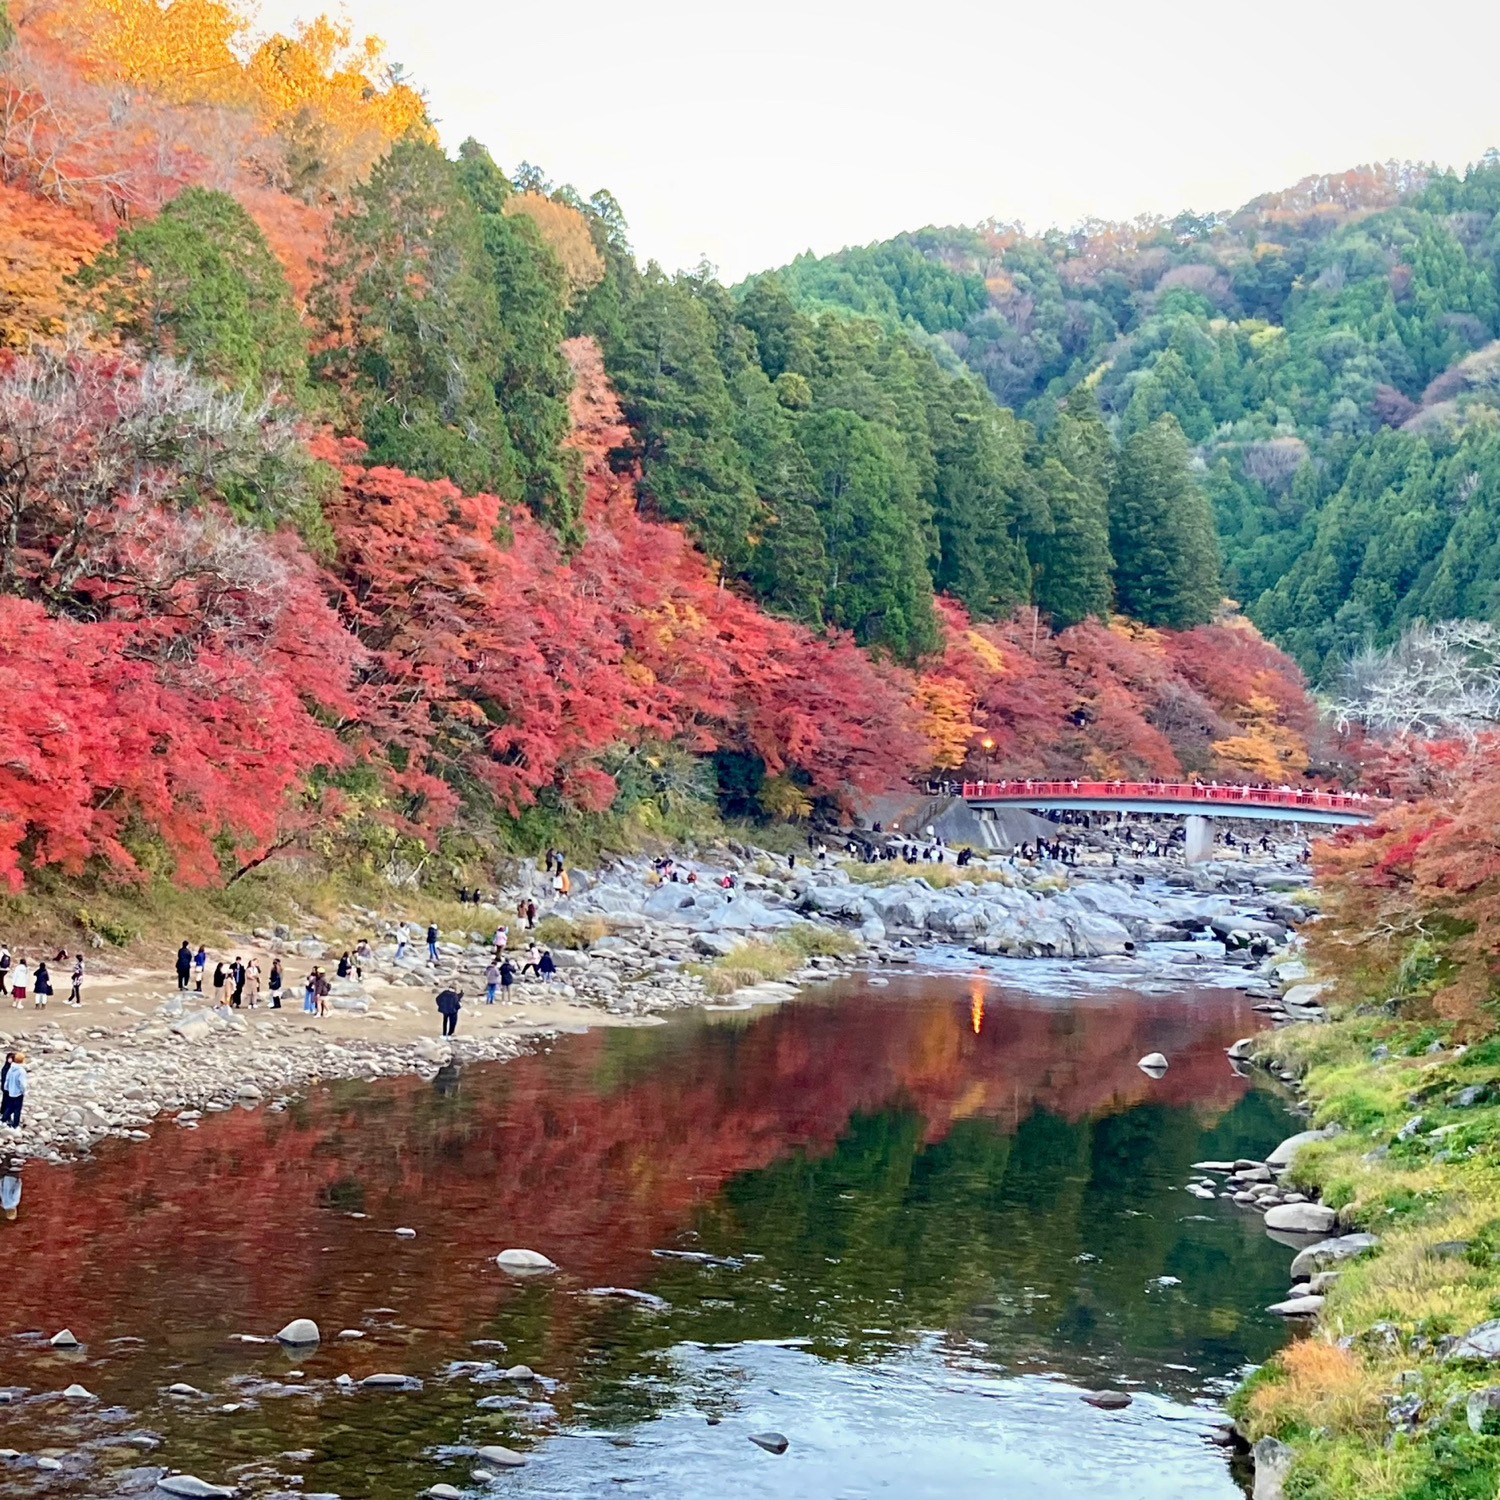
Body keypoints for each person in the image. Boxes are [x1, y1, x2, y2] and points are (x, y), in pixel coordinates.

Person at [1, 1053, 26, 1129]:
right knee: (17, 1109)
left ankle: (3, 1120)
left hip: (10, 1091)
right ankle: (15, 1125)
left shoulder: (11, 1068)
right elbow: (22, 1084)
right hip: (18, 1093)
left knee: (9, 1107)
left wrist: (6, 1088)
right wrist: (23, 1091)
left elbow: (7, 1080)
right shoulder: (21, 1071)